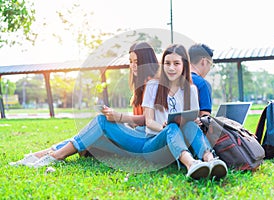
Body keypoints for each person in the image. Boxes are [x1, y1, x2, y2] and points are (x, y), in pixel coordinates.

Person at [9, 41, 160, 166]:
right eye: (131, 62)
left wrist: (119, 117)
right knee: (88, 135)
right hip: (136, 137)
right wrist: (120, 121)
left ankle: (55, 156)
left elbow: (147, 120)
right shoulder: (142, 85)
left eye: (137, 62)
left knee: (100, 122)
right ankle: (39, 155)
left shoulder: (152, 83)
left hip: (144, 142)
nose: (133, 66)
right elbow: (140, 122)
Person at [141, 44, 227, 180]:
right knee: (172, 127)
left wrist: (196, 121)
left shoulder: (191, 89)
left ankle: (211, 160)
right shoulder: (152, 86)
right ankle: (191, 164)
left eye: (176, 63)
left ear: (184, 65)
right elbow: (149, 122)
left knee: (190, 125)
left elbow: (191, 120)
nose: (171, 68)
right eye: (167, 63)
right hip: (155, 145)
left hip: (178, 143)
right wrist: (163, 127)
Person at [188, 43, 214, 117]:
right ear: (204, 61)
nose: (209, 69)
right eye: (210, 65)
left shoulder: (177, 80)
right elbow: (205, 117)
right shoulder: (202, 84)